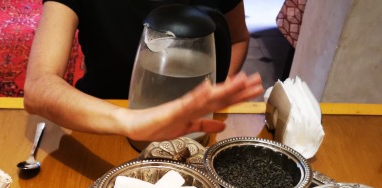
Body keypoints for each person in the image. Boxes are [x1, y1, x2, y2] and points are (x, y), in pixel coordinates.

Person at [24, 0, 263, 143]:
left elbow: (238, 39)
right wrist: (131, 121)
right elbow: (38, 85)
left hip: (195, 131)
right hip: (99, 125)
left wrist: (215, 94)